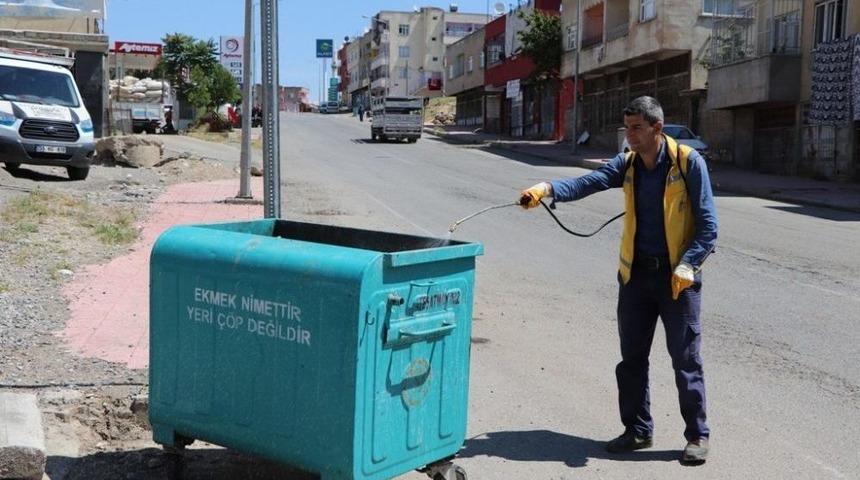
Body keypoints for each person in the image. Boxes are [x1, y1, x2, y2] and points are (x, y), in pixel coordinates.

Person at [519, 96, 718, 464]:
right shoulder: (627, 164)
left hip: (678, 280)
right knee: (631, 360)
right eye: (626, 128)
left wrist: (689, 265)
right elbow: (590, 182)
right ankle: (638, 429)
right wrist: (547, 189)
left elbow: (709, 227)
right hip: (636, 277)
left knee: (685, 359)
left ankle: (697, 435)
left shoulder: (688, 163)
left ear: (657, 128)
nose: (629, 135)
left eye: (636, 128)